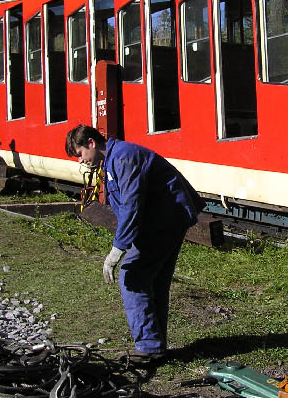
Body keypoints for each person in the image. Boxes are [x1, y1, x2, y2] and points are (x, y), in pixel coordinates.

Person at [65, 125, 205, 360]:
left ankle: (149, 347)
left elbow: (131, 205)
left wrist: (118, 249)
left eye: (79, 154)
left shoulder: (124, 157)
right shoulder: (114, 159)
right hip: (166, 221)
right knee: (155, 282)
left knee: (132, 277)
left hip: (163, 223)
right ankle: (156, 344)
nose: (81, 160)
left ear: (91, 143)